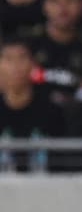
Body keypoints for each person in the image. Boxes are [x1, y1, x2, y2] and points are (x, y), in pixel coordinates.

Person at [0, 35, 64, 171]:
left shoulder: (52, 111)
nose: (15, 66)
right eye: (8, 59)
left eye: (22, 58)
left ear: (33, 64)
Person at [28, 0, 82, 108]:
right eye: (55, 1)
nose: (62, 7)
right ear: (44, 6)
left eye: (70, 0)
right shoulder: (28, 44)